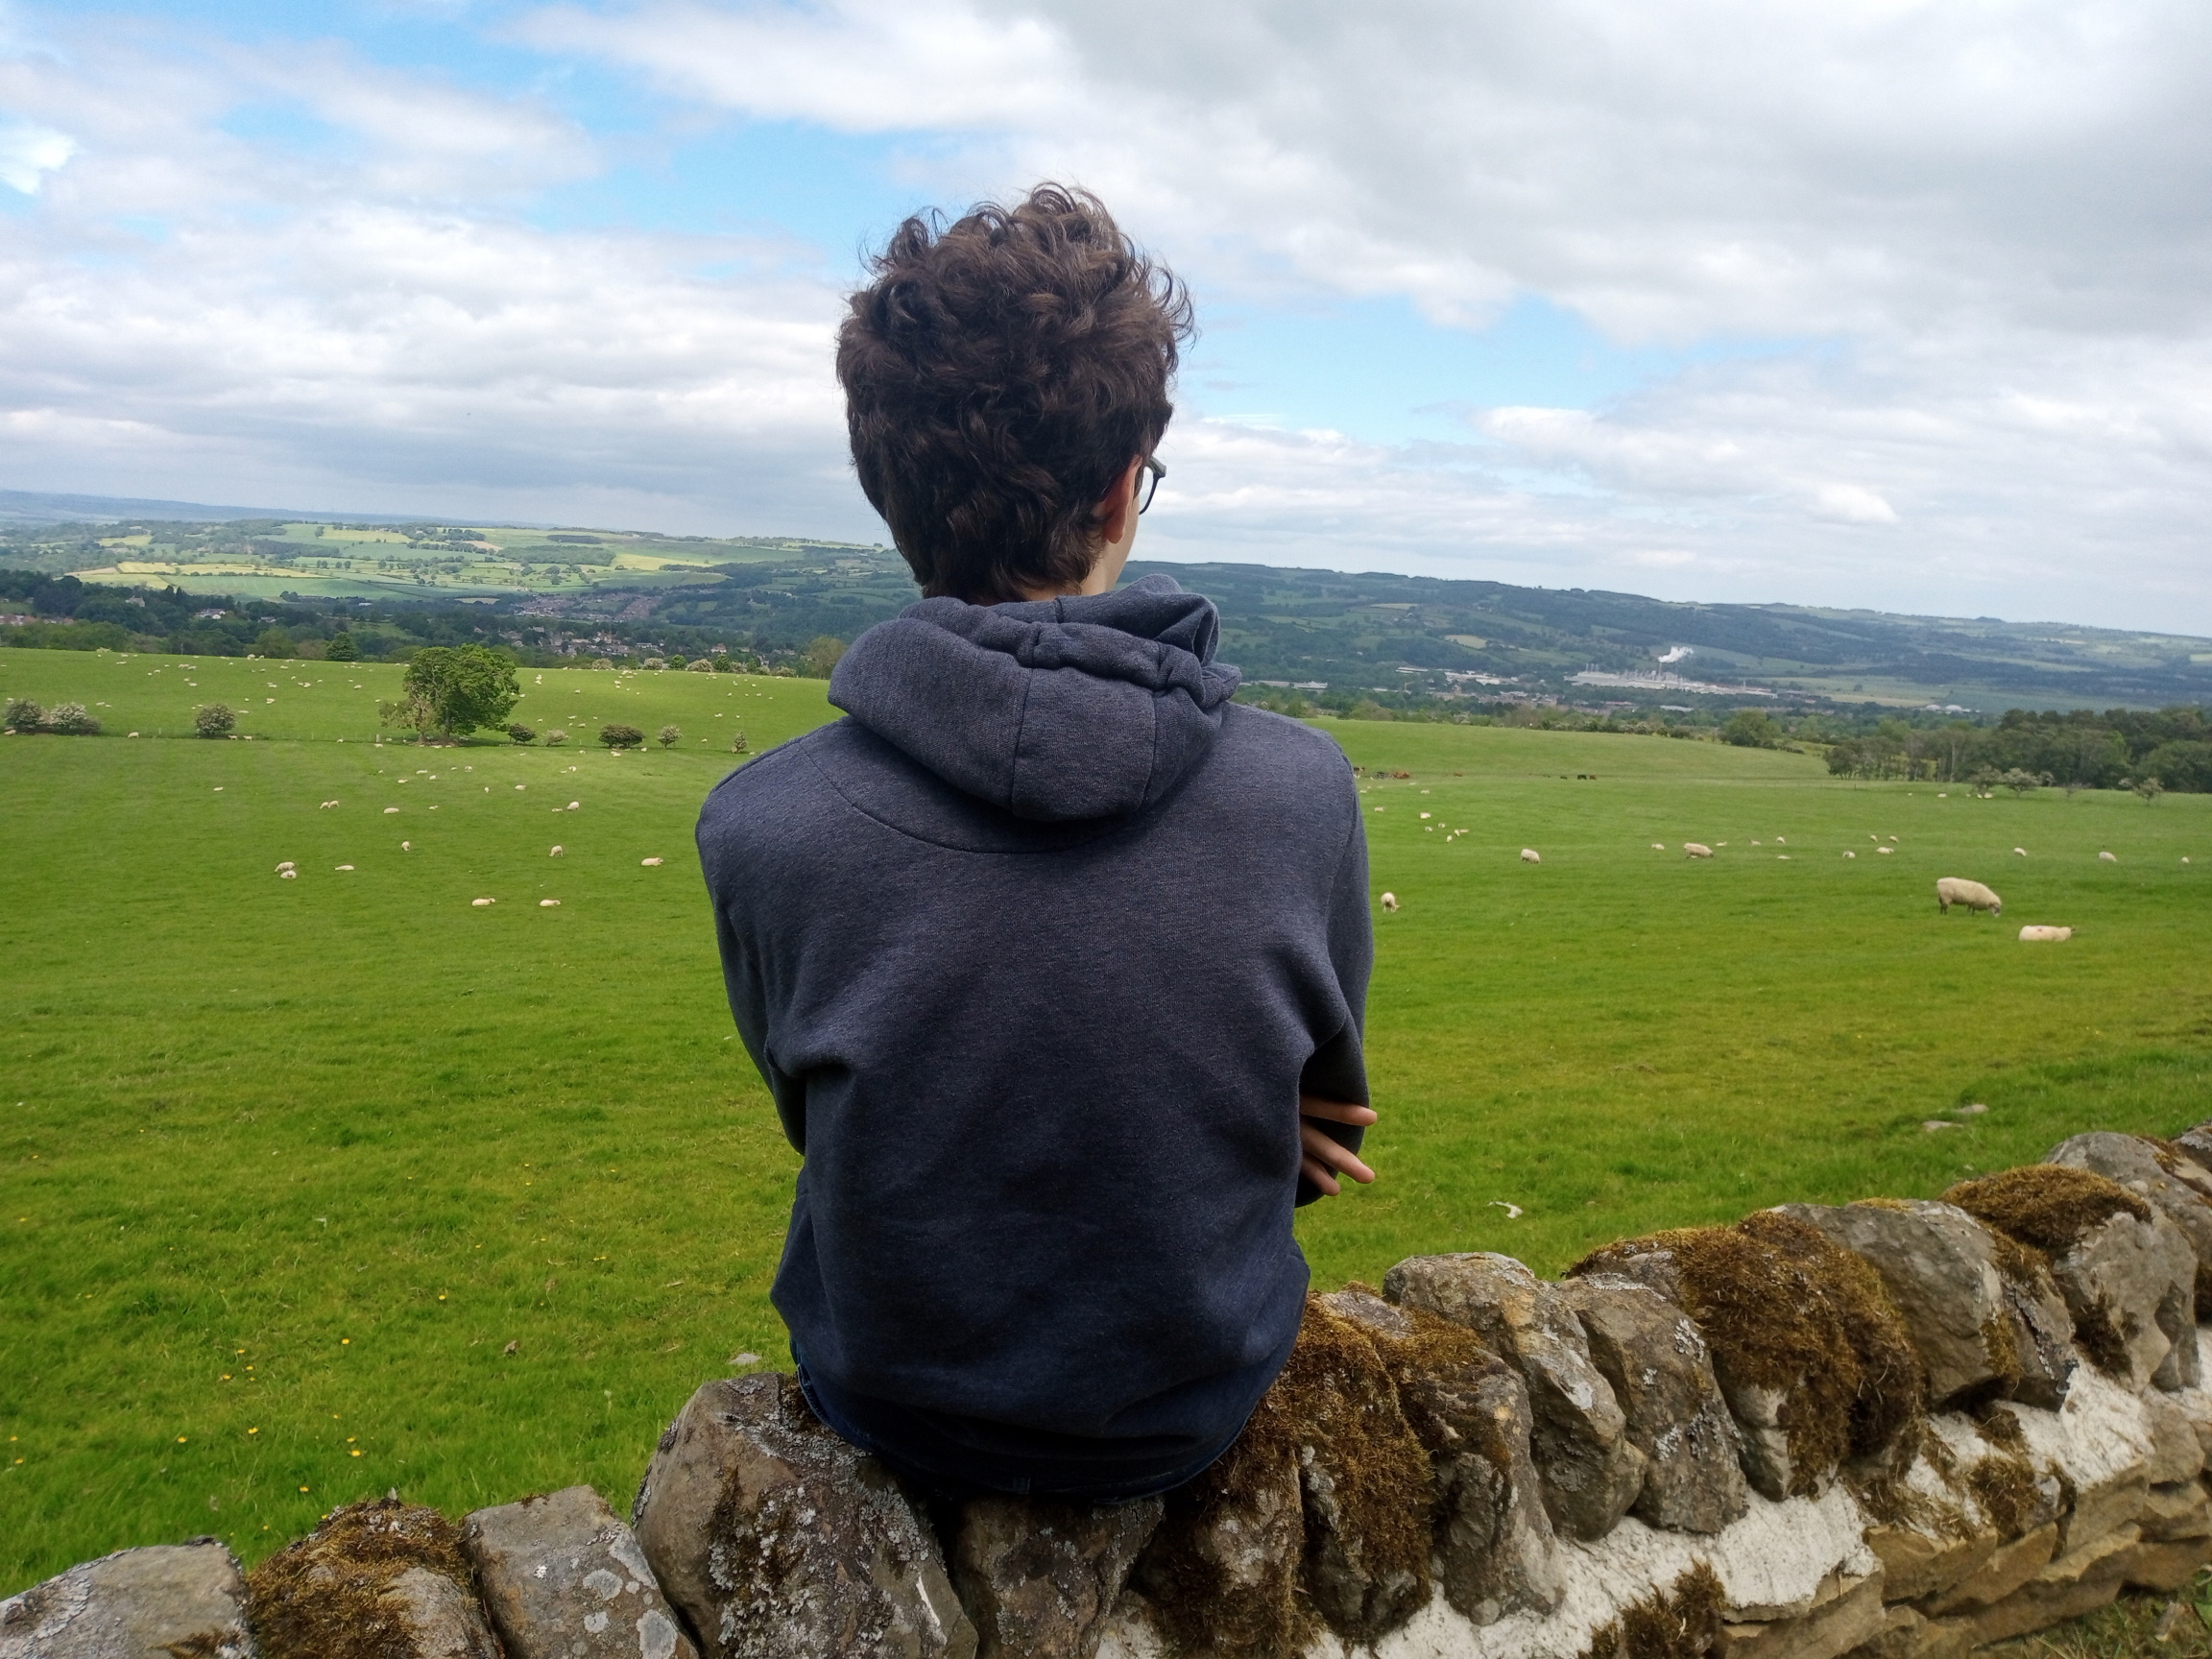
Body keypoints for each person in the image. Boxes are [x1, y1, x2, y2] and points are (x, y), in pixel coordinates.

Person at [695, 183, 1376, 1502]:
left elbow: (821, 1109)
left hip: (889, 1395)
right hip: (1199, 1399)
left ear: (882, 489)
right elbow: (1323, 1106)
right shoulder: (1302, 787)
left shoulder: (760, 820)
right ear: (1129, 487)